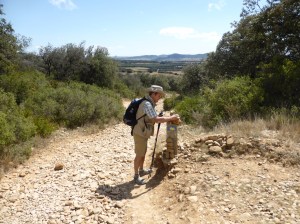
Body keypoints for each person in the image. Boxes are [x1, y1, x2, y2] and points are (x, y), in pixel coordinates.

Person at [132, 85, 180, 185]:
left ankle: (141, 170)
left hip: (143, 131)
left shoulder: (149, 103)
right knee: (139, 154)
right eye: (159, 96)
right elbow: (156, 120)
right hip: (140, 132)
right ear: (154, 94)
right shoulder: (147, 104)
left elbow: (152, 117)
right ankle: (136, 176)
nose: (160, 98)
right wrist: (171, 118)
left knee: (143, 152)